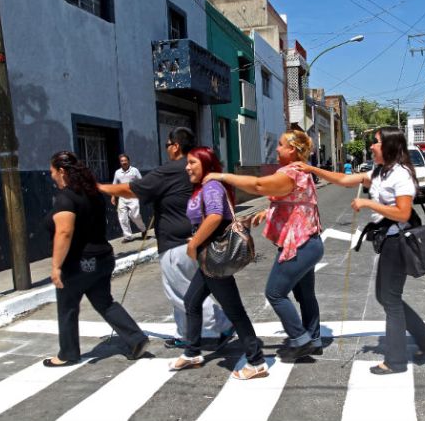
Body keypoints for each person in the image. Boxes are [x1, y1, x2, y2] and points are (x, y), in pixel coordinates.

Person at [296, 127, 425, 374]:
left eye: (376, 143)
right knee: (386, 297)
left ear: (389, 146)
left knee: (390, 299)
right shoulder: (379, 173)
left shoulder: (401, 176)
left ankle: (396, 361)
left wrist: (367, 203)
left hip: (399, 243)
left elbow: (403, 213)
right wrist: (312, 169)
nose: (372, 147)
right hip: (388, 242)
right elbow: (343, 180)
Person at [97, 128, 234, 349]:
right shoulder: (197, 167)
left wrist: (99, 187)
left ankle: (221, 326)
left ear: (176, 146)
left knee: (181, 293)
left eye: (168, 145)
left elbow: (132, 190)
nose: (167, 149)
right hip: (196, 238)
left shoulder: (171, 170)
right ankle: (187, 333)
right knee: (185, 291)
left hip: (176, 243)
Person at [203, 130, 323, 361]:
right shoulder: (302, 172)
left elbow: (258, 185)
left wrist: (223, 176)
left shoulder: (291, 173)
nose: (276, 149)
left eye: (280, 145)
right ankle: (314, 338)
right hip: (311, 242)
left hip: (299, 245)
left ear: (293, 150)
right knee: (305, 294)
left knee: (275, 293)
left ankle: (300, 340)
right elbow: (298, 202)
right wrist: (268, 211)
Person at [169, 147, 268, 379]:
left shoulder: (212, 186)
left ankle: (257, 362)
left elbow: (214, 217)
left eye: (192, 162)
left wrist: (193, 244)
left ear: (205, 163)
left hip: (213, 257)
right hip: (208, 259)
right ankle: (192, 351)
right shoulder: (202, 187)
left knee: (234, 310)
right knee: (191, 302)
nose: (187, 167)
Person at [44, 151, 149, 367]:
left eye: (53, 172)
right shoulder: (92, 193)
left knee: (67, 306)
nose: (52, 176)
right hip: (102, 257)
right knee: (104, 302)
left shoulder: (66, 198)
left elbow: (64, 232)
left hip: (79, 262)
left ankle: (67, 354)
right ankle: (136, 339)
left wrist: (56, 266)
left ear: (62, 171)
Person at [111, 154, 147, 243]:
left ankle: (143, 230)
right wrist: (112, 196)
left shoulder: (134, 171)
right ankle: (128, 236)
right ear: (120, 162)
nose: (123, 162)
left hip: (133, 196)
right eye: (122, 161)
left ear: (128, 161)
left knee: (135, 216)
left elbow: (141, 181)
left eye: (125, 161)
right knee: (122, 218)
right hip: (122, 197)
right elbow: (114, 185)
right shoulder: (117, 172)